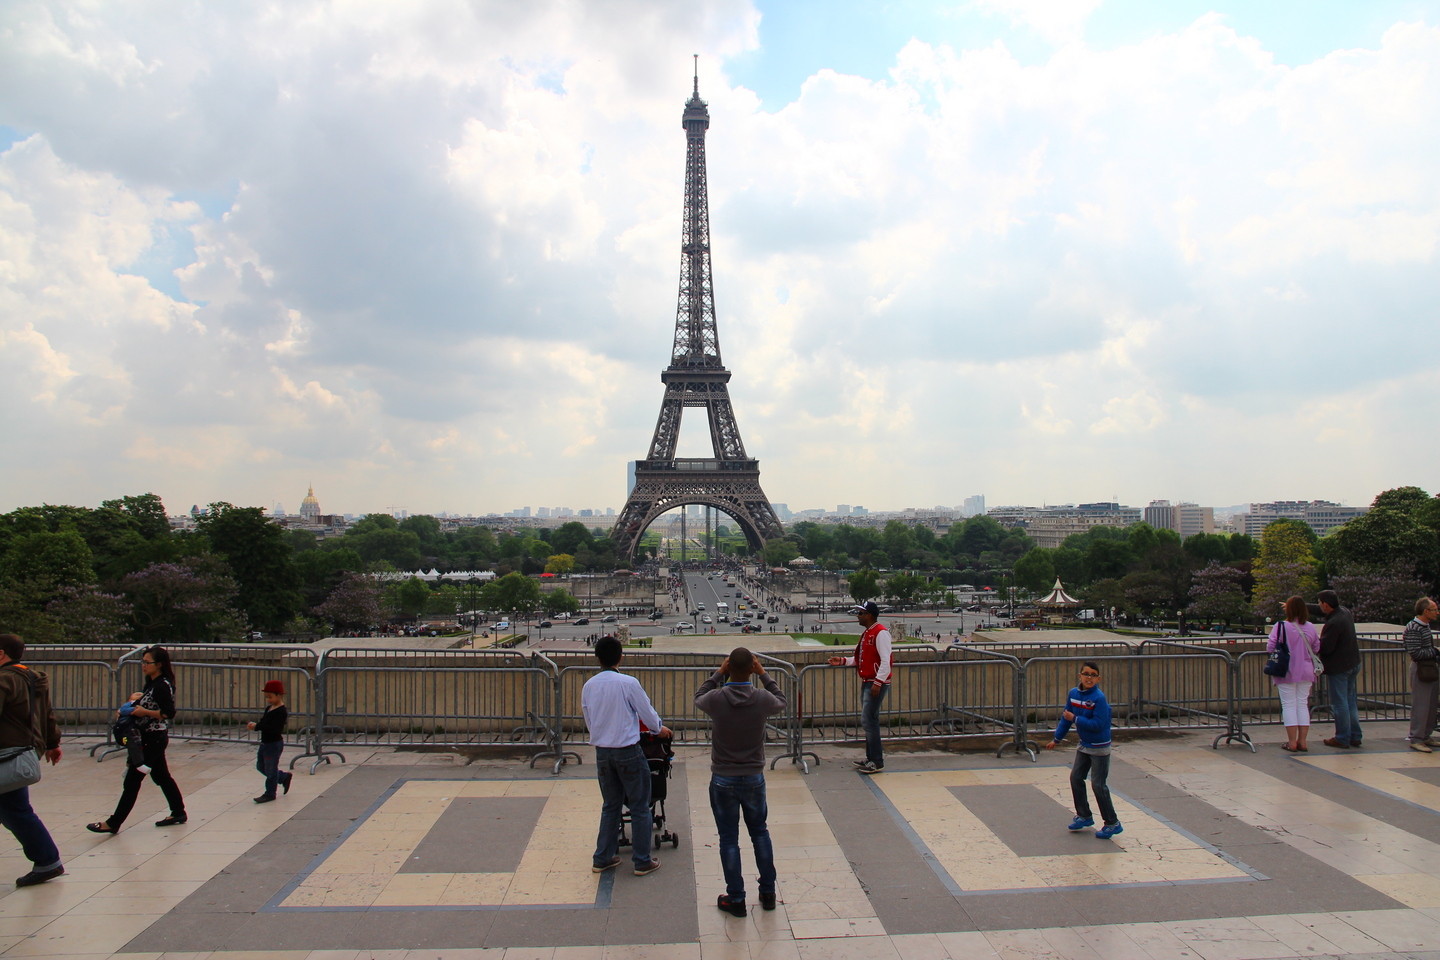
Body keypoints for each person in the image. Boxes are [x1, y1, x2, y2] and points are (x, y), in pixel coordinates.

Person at [694, 647, 786, 918]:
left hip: (723, 777)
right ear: (752, 668)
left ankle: (736, 897)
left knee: (728, 839)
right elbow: (781, 699)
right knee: (760, 833)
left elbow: (698, 696)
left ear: (728, 668)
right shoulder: (761, 699)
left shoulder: (717, 698)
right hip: (754, 776)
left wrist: (718, 674)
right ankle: (768, 892)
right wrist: (765, 674)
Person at [581, 636, 669, 877]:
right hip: (627, 750)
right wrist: (658, 729)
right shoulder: (628, 683)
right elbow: (648, 714)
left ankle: (603, 857)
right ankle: (642, 861)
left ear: (597, 659)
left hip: (603, 752)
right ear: (621, 657)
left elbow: (590, 720)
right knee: (640, 805)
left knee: (610, 806)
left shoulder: (589, 686)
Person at [88, 646, 187, 834]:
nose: (143, 666)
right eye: (142, 662)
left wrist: (145, 712)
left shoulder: (162, 686)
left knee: (133, 780)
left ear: (159, 664)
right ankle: (178, 812)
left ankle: (114, 822)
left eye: (147, 663)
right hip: (146, 736)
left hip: (153, 738)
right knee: (161, 776)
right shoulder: (151, 682)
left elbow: (168, 713)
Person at [0, 635, 65, 886]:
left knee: (16, 811)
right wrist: (52, 743)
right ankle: (47, 860)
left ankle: (48, 860)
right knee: (14, 809)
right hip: (22, 751)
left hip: (7, 753)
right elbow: (46, 713)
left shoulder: (4, 679)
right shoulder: (31, 677)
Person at [1044, 661, 1121, 839]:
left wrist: (1076, 719)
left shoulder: (1099, 698)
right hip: (1084, 745)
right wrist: (1057, 738)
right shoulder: (1073, 694)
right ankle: (1084, 815)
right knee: (1076, 778)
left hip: (1099, 747)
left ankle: (1112, 822)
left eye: (1093, 675)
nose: (1089, 677)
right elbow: (1066, 718)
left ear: (1098, 679)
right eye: (1086, 674)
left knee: (1098, 785)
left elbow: (1098, 724)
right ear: (1080, 676)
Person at [828, 601, 892, 775]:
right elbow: (861, 659)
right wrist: (842, 661)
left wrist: (878, 683)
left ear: (869, 615)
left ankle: (877, 761)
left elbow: (886, 661)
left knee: (869, 721)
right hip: (869, 681)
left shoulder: (880, 633)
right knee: (870, 721)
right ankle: (871, 758)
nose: (858, 615)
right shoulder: (869, 633)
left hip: (874, 683)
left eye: (861, 613)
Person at [1267, 596, 1322, 752]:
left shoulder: (1281, 626)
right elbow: (1316, 647)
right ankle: (1302, 741)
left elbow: (1271, 647)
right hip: (1306, 670)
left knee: (1289, 705)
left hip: (1287, 670)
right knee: (1302, 704)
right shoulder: (1311, 627)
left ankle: (1291, 742)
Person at [1315, 590, 1362, 749]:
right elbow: (1318, 609)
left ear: (1326, 605)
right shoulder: (1344, 612)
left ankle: (1342, 737)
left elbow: (1326, 648)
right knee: (1350, 702)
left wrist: (1313, 642)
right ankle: (1355, 735)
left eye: (1320, 603)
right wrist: (1299, 605)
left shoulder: (1334, 623)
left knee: (1340, 703)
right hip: (1353, 663)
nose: (1319, 606)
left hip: (1339, 667)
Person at [247, 680, 292, 803]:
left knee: (271, 770)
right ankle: (283, 777)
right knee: (261, 766)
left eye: (270, 697)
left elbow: (274, 729)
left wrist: (258, 727)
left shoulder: (281, 711)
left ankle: (270, 793)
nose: (268, 700)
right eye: (267, 697)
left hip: (273, 744)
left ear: (279, 695)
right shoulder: (269, 708)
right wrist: (255, 726)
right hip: (265, 743)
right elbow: (264, 722)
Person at [1404, 597, 1439, 752]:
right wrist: (1436, 651)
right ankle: (1416, 737)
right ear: (1426, 611)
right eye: (1435, 609)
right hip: (1420, 669)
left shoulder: (1425, 626)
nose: (1437, 612)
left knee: (1431, 704)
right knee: (1421, 704)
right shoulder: (1413, 627)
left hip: (1430, 668)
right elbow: (1415, 652)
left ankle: (1425, 734)